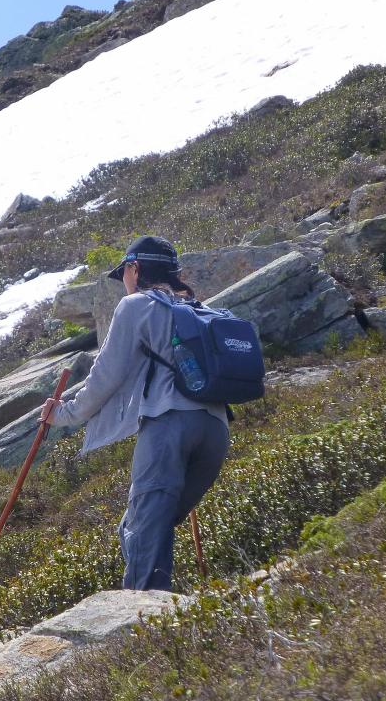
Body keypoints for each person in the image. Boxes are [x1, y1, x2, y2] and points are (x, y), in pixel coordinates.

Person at [40, 235, 230, 591]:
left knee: (143, 528)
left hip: (170, 425)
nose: (123, 282)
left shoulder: (136, 305)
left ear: (134, 268)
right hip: (216, 430)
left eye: (123, 273)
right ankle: (168, 617)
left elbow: (105, 377)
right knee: (143, 525)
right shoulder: (197, 307)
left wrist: (63, 414)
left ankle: (142, 623)